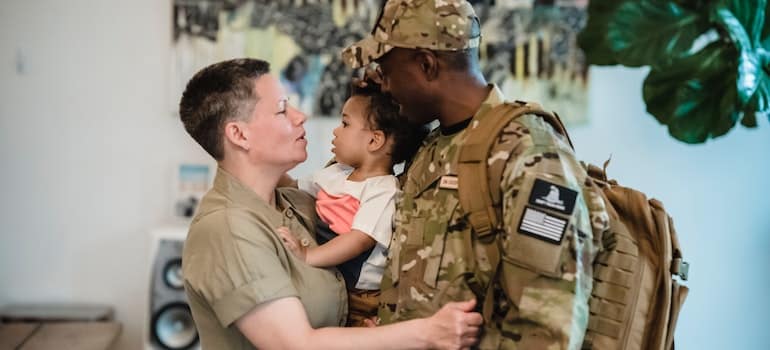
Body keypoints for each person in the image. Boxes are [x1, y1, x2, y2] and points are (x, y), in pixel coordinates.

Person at [341, 1, 610, 349]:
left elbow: (547, 324)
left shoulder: (529, 153)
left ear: (426, 64)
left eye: (387, 70)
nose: (385, 85)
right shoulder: (434, 147)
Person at [178, 58, 482, 350]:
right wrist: (427, 333)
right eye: (283, 109)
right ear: (239, 134)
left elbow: (359, 177)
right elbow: (295, 344)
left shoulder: (295, 204)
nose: (301, 116)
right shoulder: (229, 228)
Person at [277, 83, 429, 327]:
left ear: (375, 140)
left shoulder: (383, 190)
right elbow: (293, 187)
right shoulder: (335, 173)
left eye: (345, 124)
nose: (336, 131)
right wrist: (270, 167)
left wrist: (309, 256)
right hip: (330, 278)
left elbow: (359, 239)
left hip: (361, 298)